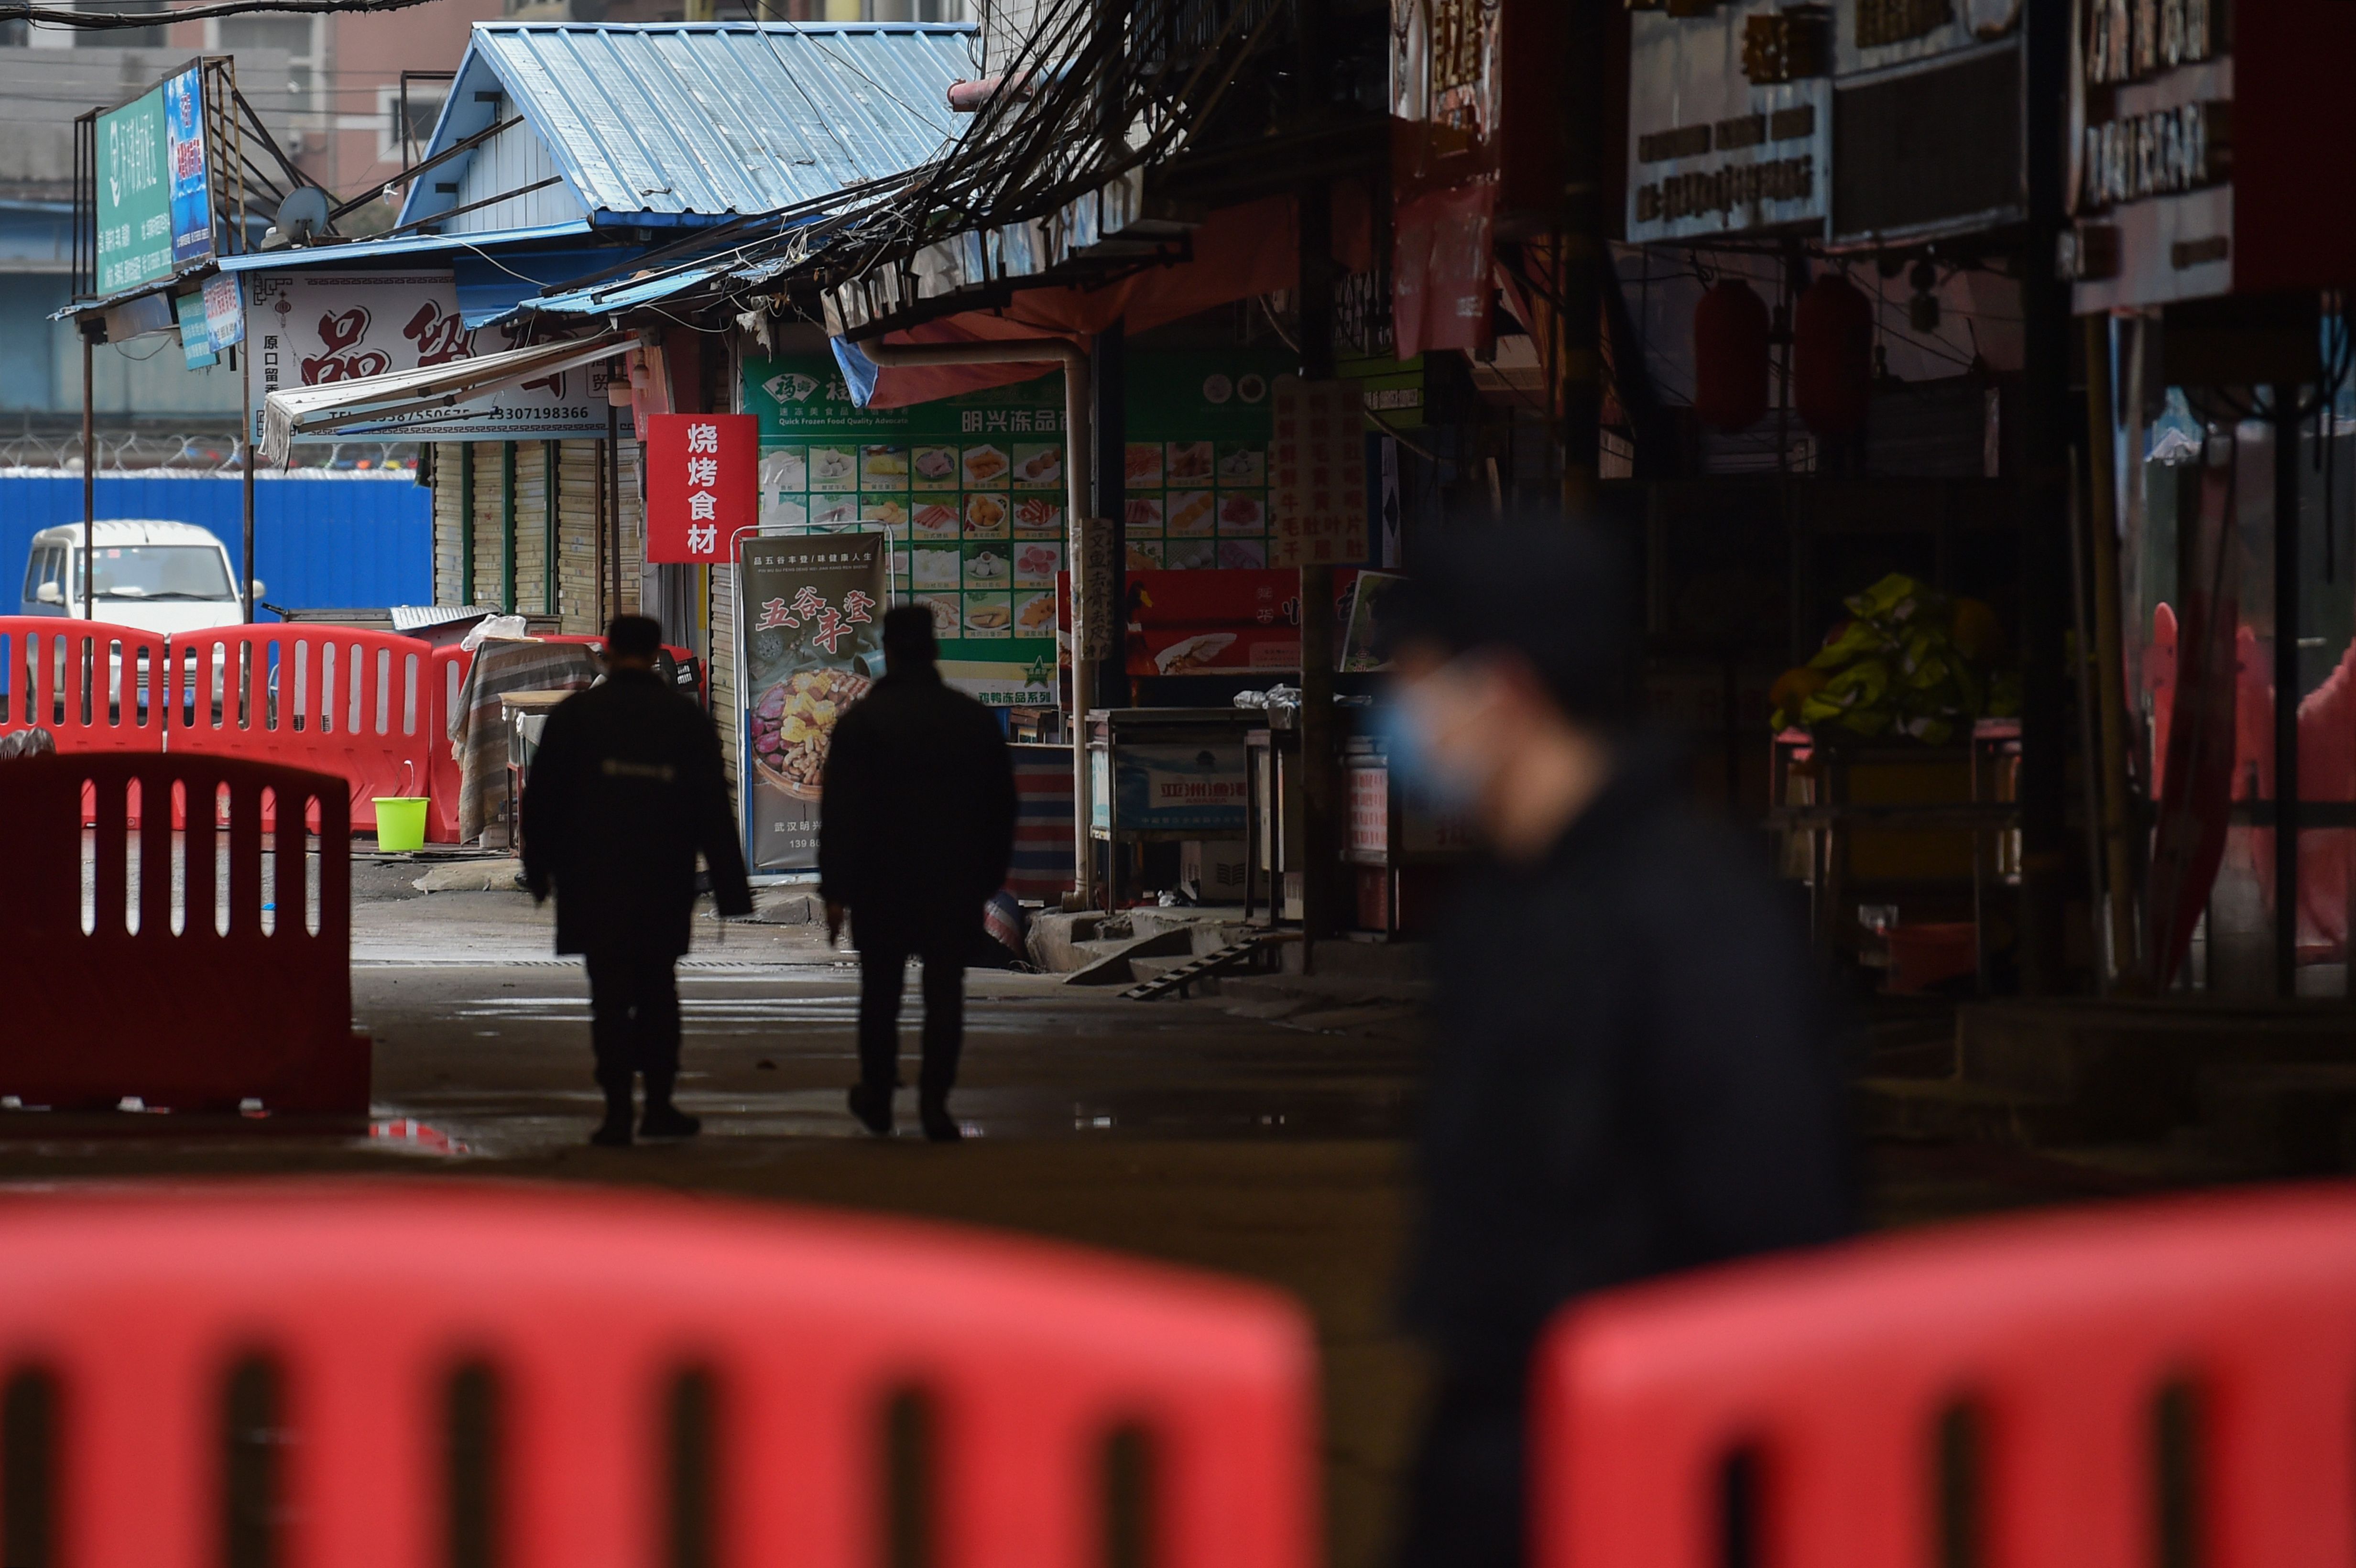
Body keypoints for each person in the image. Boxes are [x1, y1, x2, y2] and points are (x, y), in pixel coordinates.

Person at [1380, 522, 1853, 1568]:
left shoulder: (1693, 914)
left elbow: (1778, 1222)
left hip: (1651, 1451)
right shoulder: (1504, 900)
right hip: (1495, 1420)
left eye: (1415, 682)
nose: (1400, 719)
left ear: (1501, 690)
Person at [522, 615, 752, 1147]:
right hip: (662, 878)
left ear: (605, 651)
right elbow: (711, 808)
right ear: (655, 655)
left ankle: (618, 1111)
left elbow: (542, 804)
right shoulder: (682, 719)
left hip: (592, 879)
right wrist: (730, 889)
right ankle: (660, 1105)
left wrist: (539, 872)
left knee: (607, 994)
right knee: (657, 990)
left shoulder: (576, 716)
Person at [819, 605, 1016, 1142]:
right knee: (944, 992)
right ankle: (934, 1104)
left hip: (878, 885)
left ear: (889, 651)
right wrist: (985, 877)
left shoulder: (861, 724)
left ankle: (878, 1096)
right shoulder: (970, 720)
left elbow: (840, 812)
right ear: (933, 650)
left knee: (880, 992)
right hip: (951, 882)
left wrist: (836, 891)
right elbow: (1001, 807)